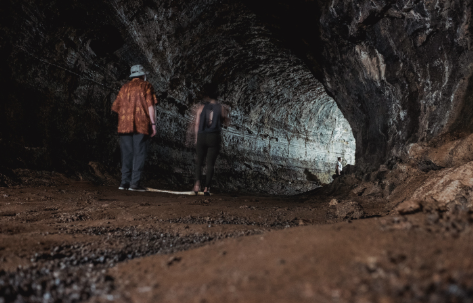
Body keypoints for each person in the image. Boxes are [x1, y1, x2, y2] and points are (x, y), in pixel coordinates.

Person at [111, 64, 158, 192]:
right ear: (143, 75)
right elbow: (150, 107)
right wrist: (153, 124)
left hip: (124, 125)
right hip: (141, 124)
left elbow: (115, 107)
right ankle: (134, 184)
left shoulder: (124, 88)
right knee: (139, 154)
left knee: (127, 154)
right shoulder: (147, 86)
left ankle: (123, 183)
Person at [192, 84, 230, 195]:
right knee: (210, 164)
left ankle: (196, 185)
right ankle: (206, 188)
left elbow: (197, 124)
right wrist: (227, 114)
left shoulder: (201, 107)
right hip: (214, 137)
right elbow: (226, 122)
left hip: (202, 136)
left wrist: (196, 138)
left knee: (199, 162)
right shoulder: (221, 107)